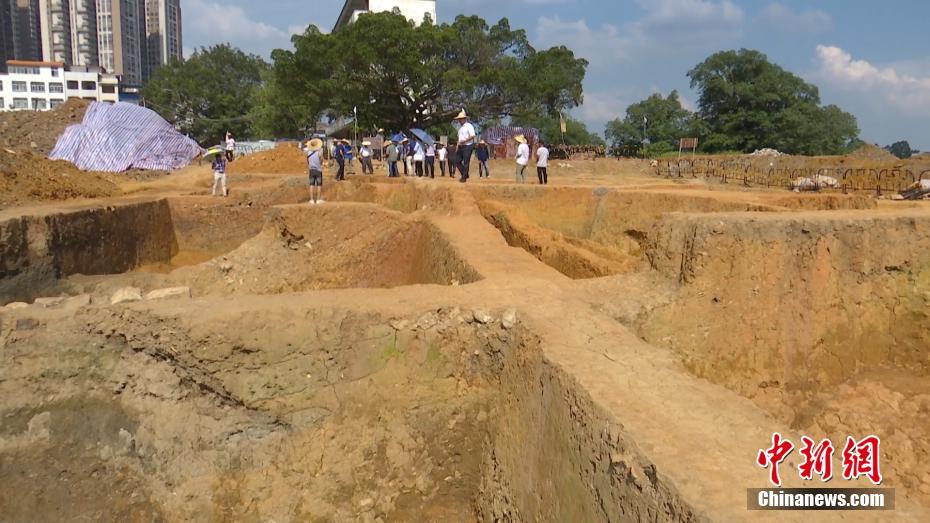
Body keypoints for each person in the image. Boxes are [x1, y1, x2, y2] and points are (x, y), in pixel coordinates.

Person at [453, 109, 476, 182]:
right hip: (461, 146)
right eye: (459, 119)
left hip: (468, 145)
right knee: (457, 161)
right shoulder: (460, 129)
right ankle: (465, 174)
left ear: (464, 119)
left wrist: (465, 141)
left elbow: (472, 136)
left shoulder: (469, 126)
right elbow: (458, 139)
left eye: (460, 119)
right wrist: (457, 147)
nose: (459, 121)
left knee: (466, 161)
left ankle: (464, 178)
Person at [305, 138, 325, 204]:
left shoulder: (308, 153)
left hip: (311, 170)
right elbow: (321, 160)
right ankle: (318, 200)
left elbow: (308, 161)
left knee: (311, 184)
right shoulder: (319, 152)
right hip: (318, 170)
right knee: (319, 185)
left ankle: (311, 200)